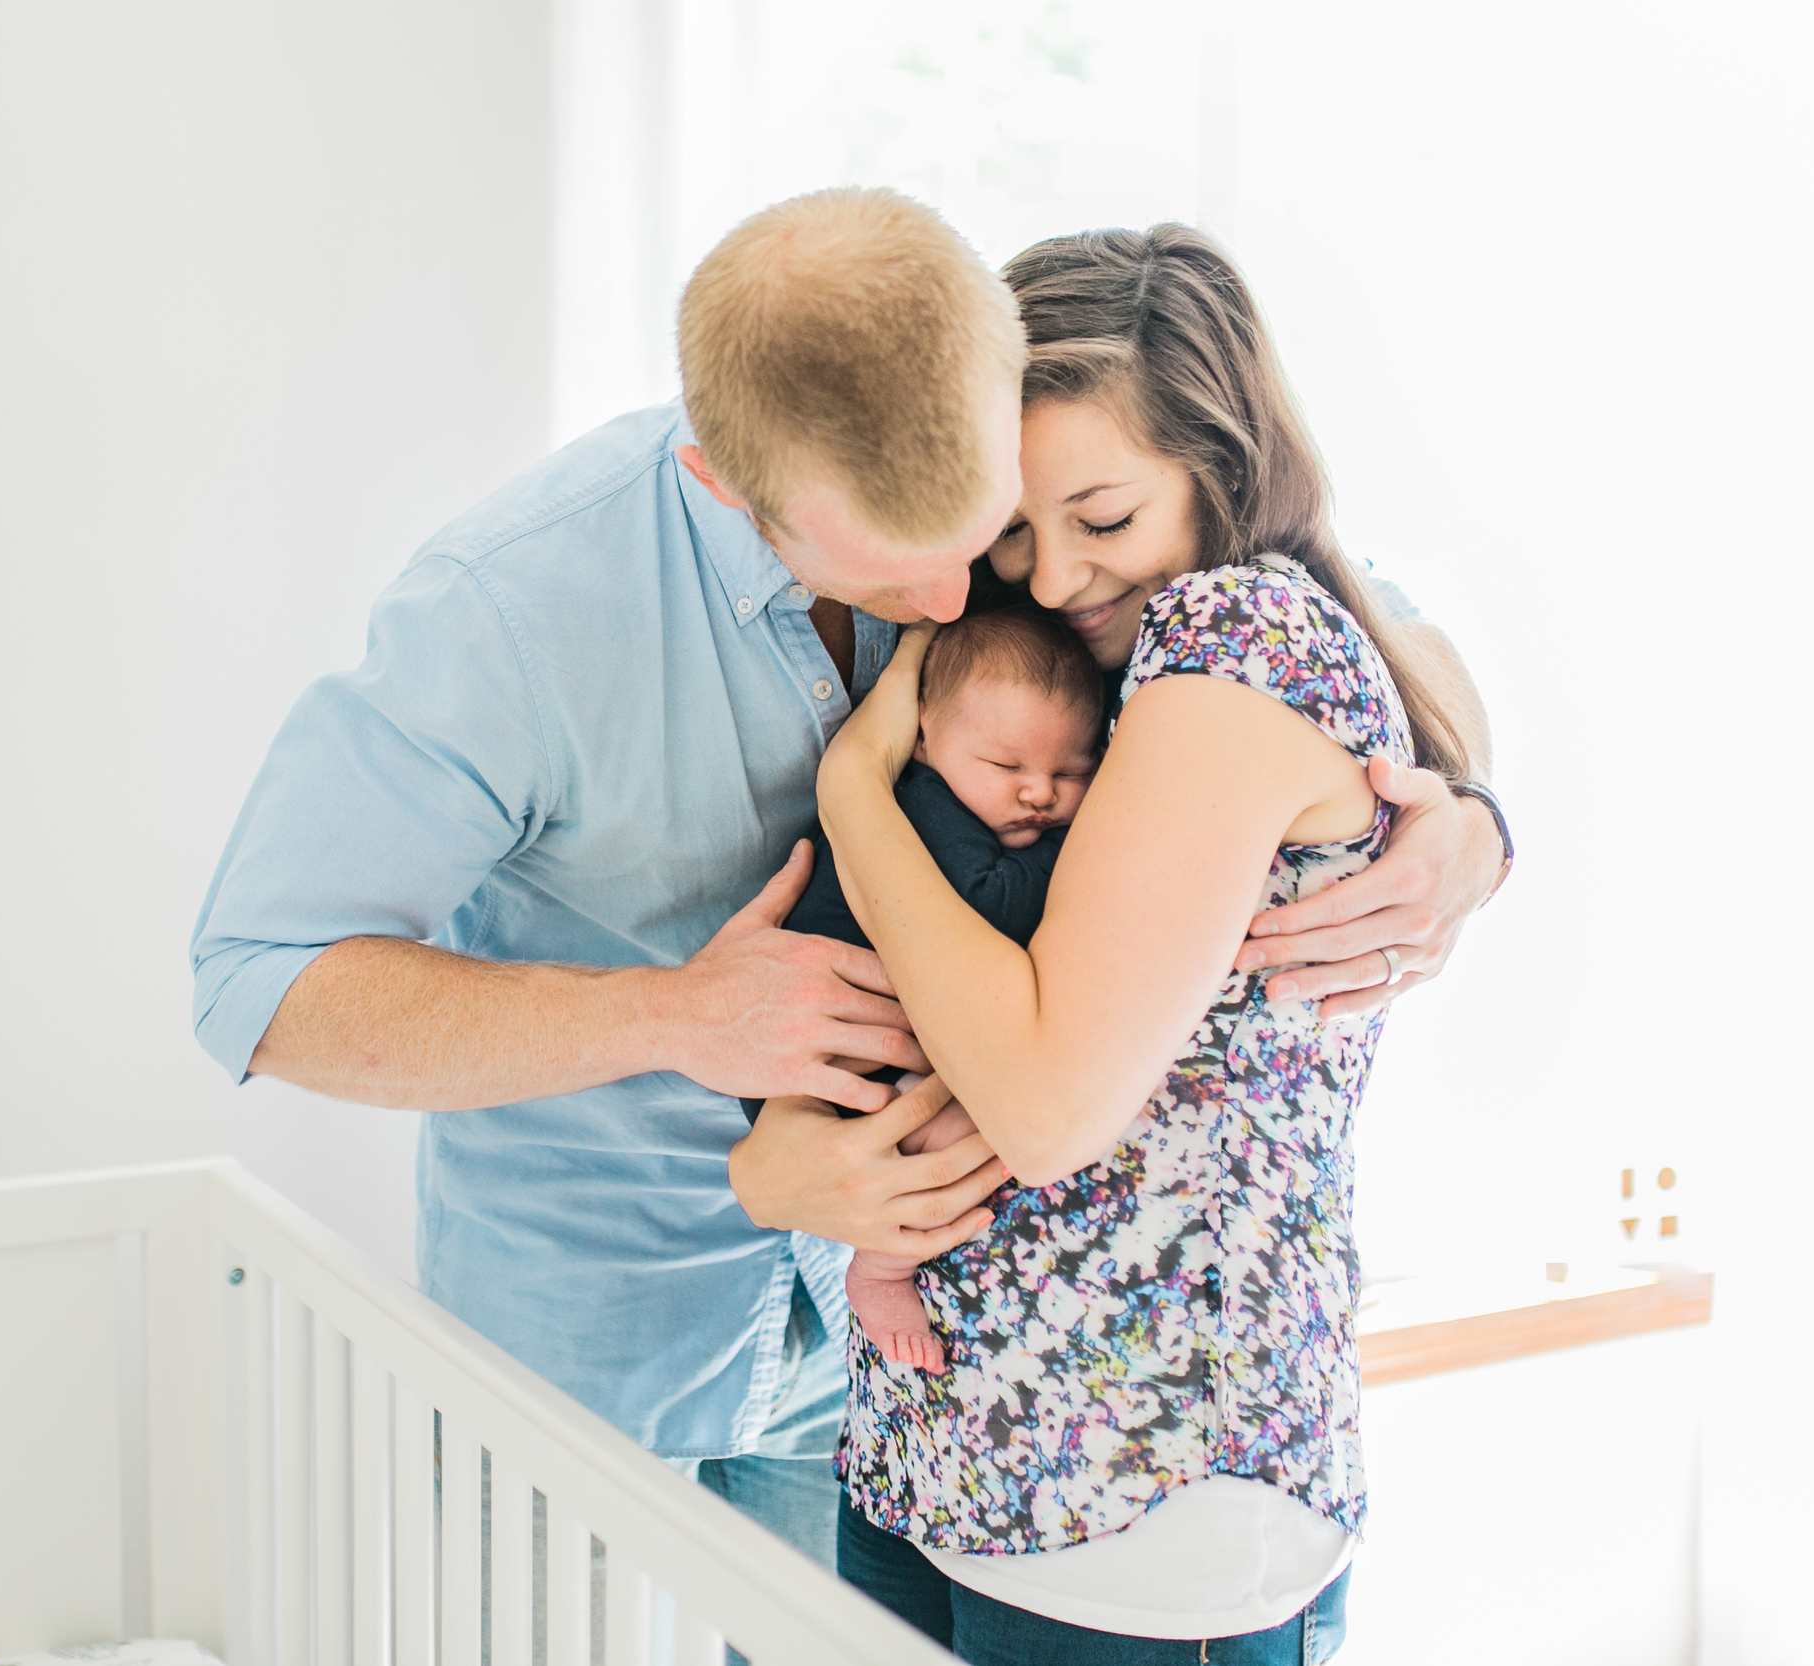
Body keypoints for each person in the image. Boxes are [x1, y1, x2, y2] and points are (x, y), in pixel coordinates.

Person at [193, 189, 1508, 1568]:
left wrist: (1469, 821)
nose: (975, 601)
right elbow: (257, 981)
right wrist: (669, 1020)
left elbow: (1361, 610)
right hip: (597, 1378)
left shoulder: (1014, 508)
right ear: (726, 484)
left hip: (909, 1391)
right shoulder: (508, 609)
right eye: (905, 570)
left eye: (984, 532)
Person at [765, 225, 1509, 1662]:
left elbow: (1049, 1107)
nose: (1051, 579)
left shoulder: (1236, 639)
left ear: (1221, 468)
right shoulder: (1096, 651)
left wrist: (858, 801)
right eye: (1019, 530)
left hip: (1144, 1495)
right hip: (953, 1450)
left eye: (1104, 517)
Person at [744, 605, 1106, 1371]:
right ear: (925, 740)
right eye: (1006, 768)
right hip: (823, 1064)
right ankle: (881, 1267)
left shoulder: (972, 794)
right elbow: (992, 901)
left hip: (861, 1045)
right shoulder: (921, 804)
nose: (1039, 793)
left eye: (1072, 773)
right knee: (961, 1129)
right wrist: (1093, 837)